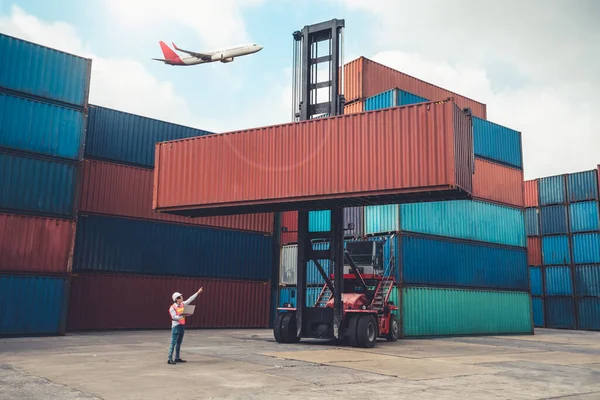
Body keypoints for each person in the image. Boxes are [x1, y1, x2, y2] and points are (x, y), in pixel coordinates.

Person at [167, 287, 203, 365]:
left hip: (181, 326)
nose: (182, 298)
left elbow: (190, 299)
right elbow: (173, 317)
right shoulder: (172, 307)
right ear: (177, 299)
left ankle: (177, 357)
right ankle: (170, 359)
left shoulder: (183, 304)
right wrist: (182, 315)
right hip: (176, 327)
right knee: (173, 343)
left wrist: (198, 292)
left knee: (179, 343)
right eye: (180, 297)